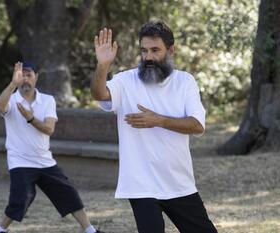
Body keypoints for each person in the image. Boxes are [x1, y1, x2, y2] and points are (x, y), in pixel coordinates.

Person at [91, 22, 218, 233]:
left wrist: (159, 120)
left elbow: (197, 125)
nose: (148, 57)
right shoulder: (126, 81)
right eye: (144, 50)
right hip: (140, 184)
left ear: (171, 50)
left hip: (178, 182)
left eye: (155, 50)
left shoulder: (185, 82)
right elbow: (99, 94)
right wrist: (102, 66)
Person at [0, 61, 103, 233]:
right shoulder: (11, 99)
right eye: (22, 75)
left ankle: (90, 230)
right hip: (20, 161)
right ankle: (0, 230)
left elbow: (49, 129)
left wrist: (30, 118)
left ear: (36, 77)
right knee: (20, 199)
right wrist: (12, 85)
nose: (25, 80)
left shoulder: (47, 100)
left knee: (69, 194)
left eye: (29, 75)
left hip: (45, 161)